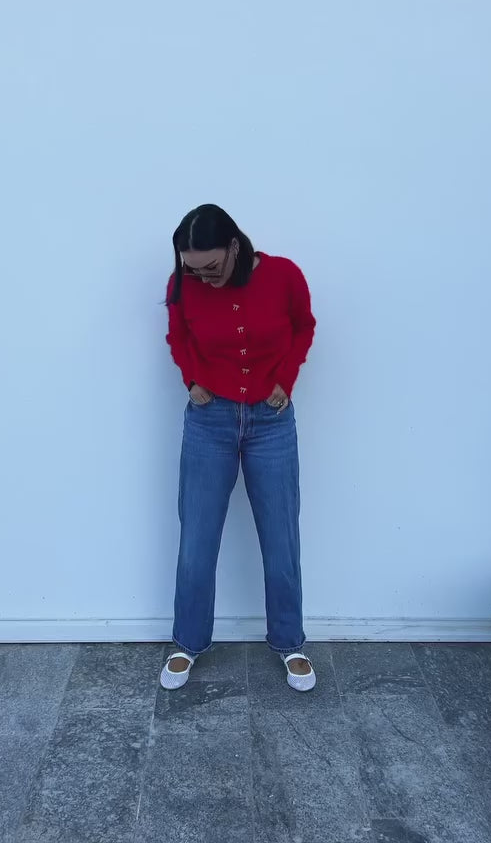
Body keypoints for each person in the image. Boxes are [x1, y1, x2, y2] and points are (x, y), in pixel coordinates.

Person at [162, 204, 316, 692]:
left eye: (211, 266)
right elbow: (178, 334)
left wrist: (286, 379)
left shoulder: (284, 276)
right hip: (210, 422)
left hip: (272, 422)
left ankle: (290, 640)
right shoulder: (182, 285)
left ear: (234, 246)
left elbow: (304, 326)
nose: (201, 278)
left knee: (281, 537)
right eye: (191, 268)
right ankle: (188, 641)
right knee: (197, 538)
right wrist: (191, 379)